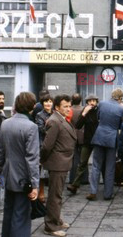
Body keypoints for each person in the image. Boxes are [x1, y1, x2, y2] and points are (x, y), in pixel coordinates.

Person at [0, 92, 39, 237]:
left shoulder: (5, 123)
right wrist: (35, 184)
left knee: (9, 212)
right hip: (23, 179)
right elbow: (32, 158)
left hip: (7, 175)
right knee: (21, 215)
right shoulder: (31, 127)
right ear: (31, 107)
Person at [41, 94, 76, 237]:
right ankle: (50, 226)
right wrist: (42, 160)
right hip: (57, 163)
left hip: (62, 161)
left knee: (58, 195)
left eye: (69, 106)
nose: (68, 109)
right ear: (57, 107)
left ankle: (56, 219)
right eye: (65, 106)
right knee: (55, 196)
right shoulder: (54, 121)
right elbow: (47, 146)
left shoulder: (61, 119)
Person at [87, 88, 123, 201]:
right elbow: (120, 125)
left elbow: (98, 117)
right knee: (110, 167)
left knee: (96, 165)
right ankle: (108, 194)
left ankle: (93, 191)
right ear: (120, 98)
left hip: (99, 135)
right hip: (112, 138)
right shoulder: (121, 108)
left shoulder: (102, 103)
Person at [67, 94, 99, 194]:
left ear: (96, 102)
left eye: (94, 100)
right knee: (82, 163)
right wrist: (84, 113)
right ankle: (75, 185)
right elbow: (78, 125)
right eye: (90, 101)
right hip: (87, 141)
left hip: (98, 140)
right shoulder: (85, 111)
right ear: (87, 102)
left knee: (98, 164)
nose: (92, 103)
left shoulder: (99, 111)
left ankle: (99, 186)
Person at [35, 94, 53, 203]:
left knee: (52, 171)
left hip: (54, 145)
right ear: (42, 103)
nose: (48, 103)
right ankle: (41, 192)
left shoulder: (55, 114)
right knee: (41, 170)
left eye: (50, 101)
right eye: (46, 101)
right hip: (43, 144)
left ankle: (52, 193)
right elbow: (41, 129)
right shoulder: (39, 115)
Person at [69, 94, 84, 184]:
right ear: (81, 100)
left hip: (72, 135)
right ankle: (84, 179)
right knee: (83, 159)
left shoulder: (69, 110)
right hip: (82, 135)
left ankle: (72, 178)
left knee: (74, 158)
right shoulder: (83, 109)